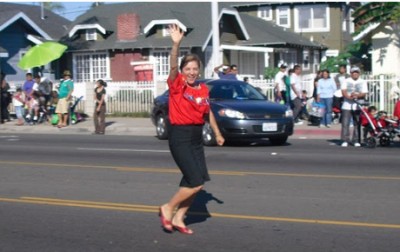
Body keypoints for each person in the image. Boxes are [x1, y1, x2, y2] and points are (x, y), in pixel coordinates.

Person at [159, 23, 224, 235]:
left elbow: (208, 112)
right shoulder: (178, 85)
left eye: (195, 69)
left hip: (196, 137)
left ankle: (179, 217)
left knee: (197, 182)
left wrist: (217, 132)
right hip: (180, 136)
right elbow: (172, 68)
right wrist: (176, 45)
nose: (192, 72)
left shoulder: (203, 89)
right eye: (188, 69)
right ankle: (168, 208)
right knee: (195, 183)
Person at [340, 66, 368, 147]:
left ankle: (356, 140)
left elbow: (364, 92)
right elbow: (343, 91)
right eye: (353, 72)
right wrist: (349, 97)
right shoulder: (346, 81)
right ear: (351, 73)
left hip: (358, 105)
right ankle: (345, 140)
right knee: (345, 123)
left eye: (356, 72)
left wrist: (357, 96)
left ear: (359, 73)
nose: (355, 74)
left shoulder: (363, 81)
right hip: (347, 105)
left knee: (357, 123)